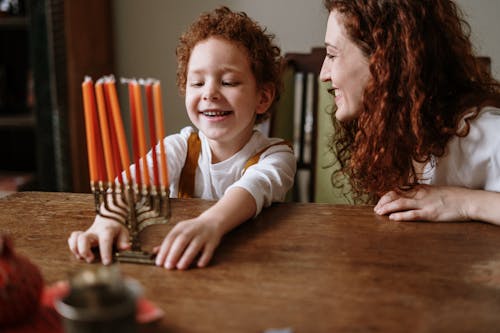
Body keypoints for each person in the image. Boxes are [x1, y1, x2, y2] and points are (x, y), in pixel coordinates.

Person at [68, 6, 296, 269]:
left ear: (263, 97)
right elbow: (134, 181)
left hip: (253, 266)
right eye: (197, 83)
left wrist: (210, 224)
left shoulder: (277, 156)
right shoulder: (180, 147)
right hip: (178, 263)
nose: (209, 93)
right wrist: (108, 220)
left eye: (229, 82)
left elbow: (252, 188)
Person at [320, 0, 500, 225]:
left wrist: (462, 202)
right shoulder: (400, 130)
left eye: (332, 55)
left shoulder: (482, 133)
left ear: (383, 60)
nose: (323, 74)